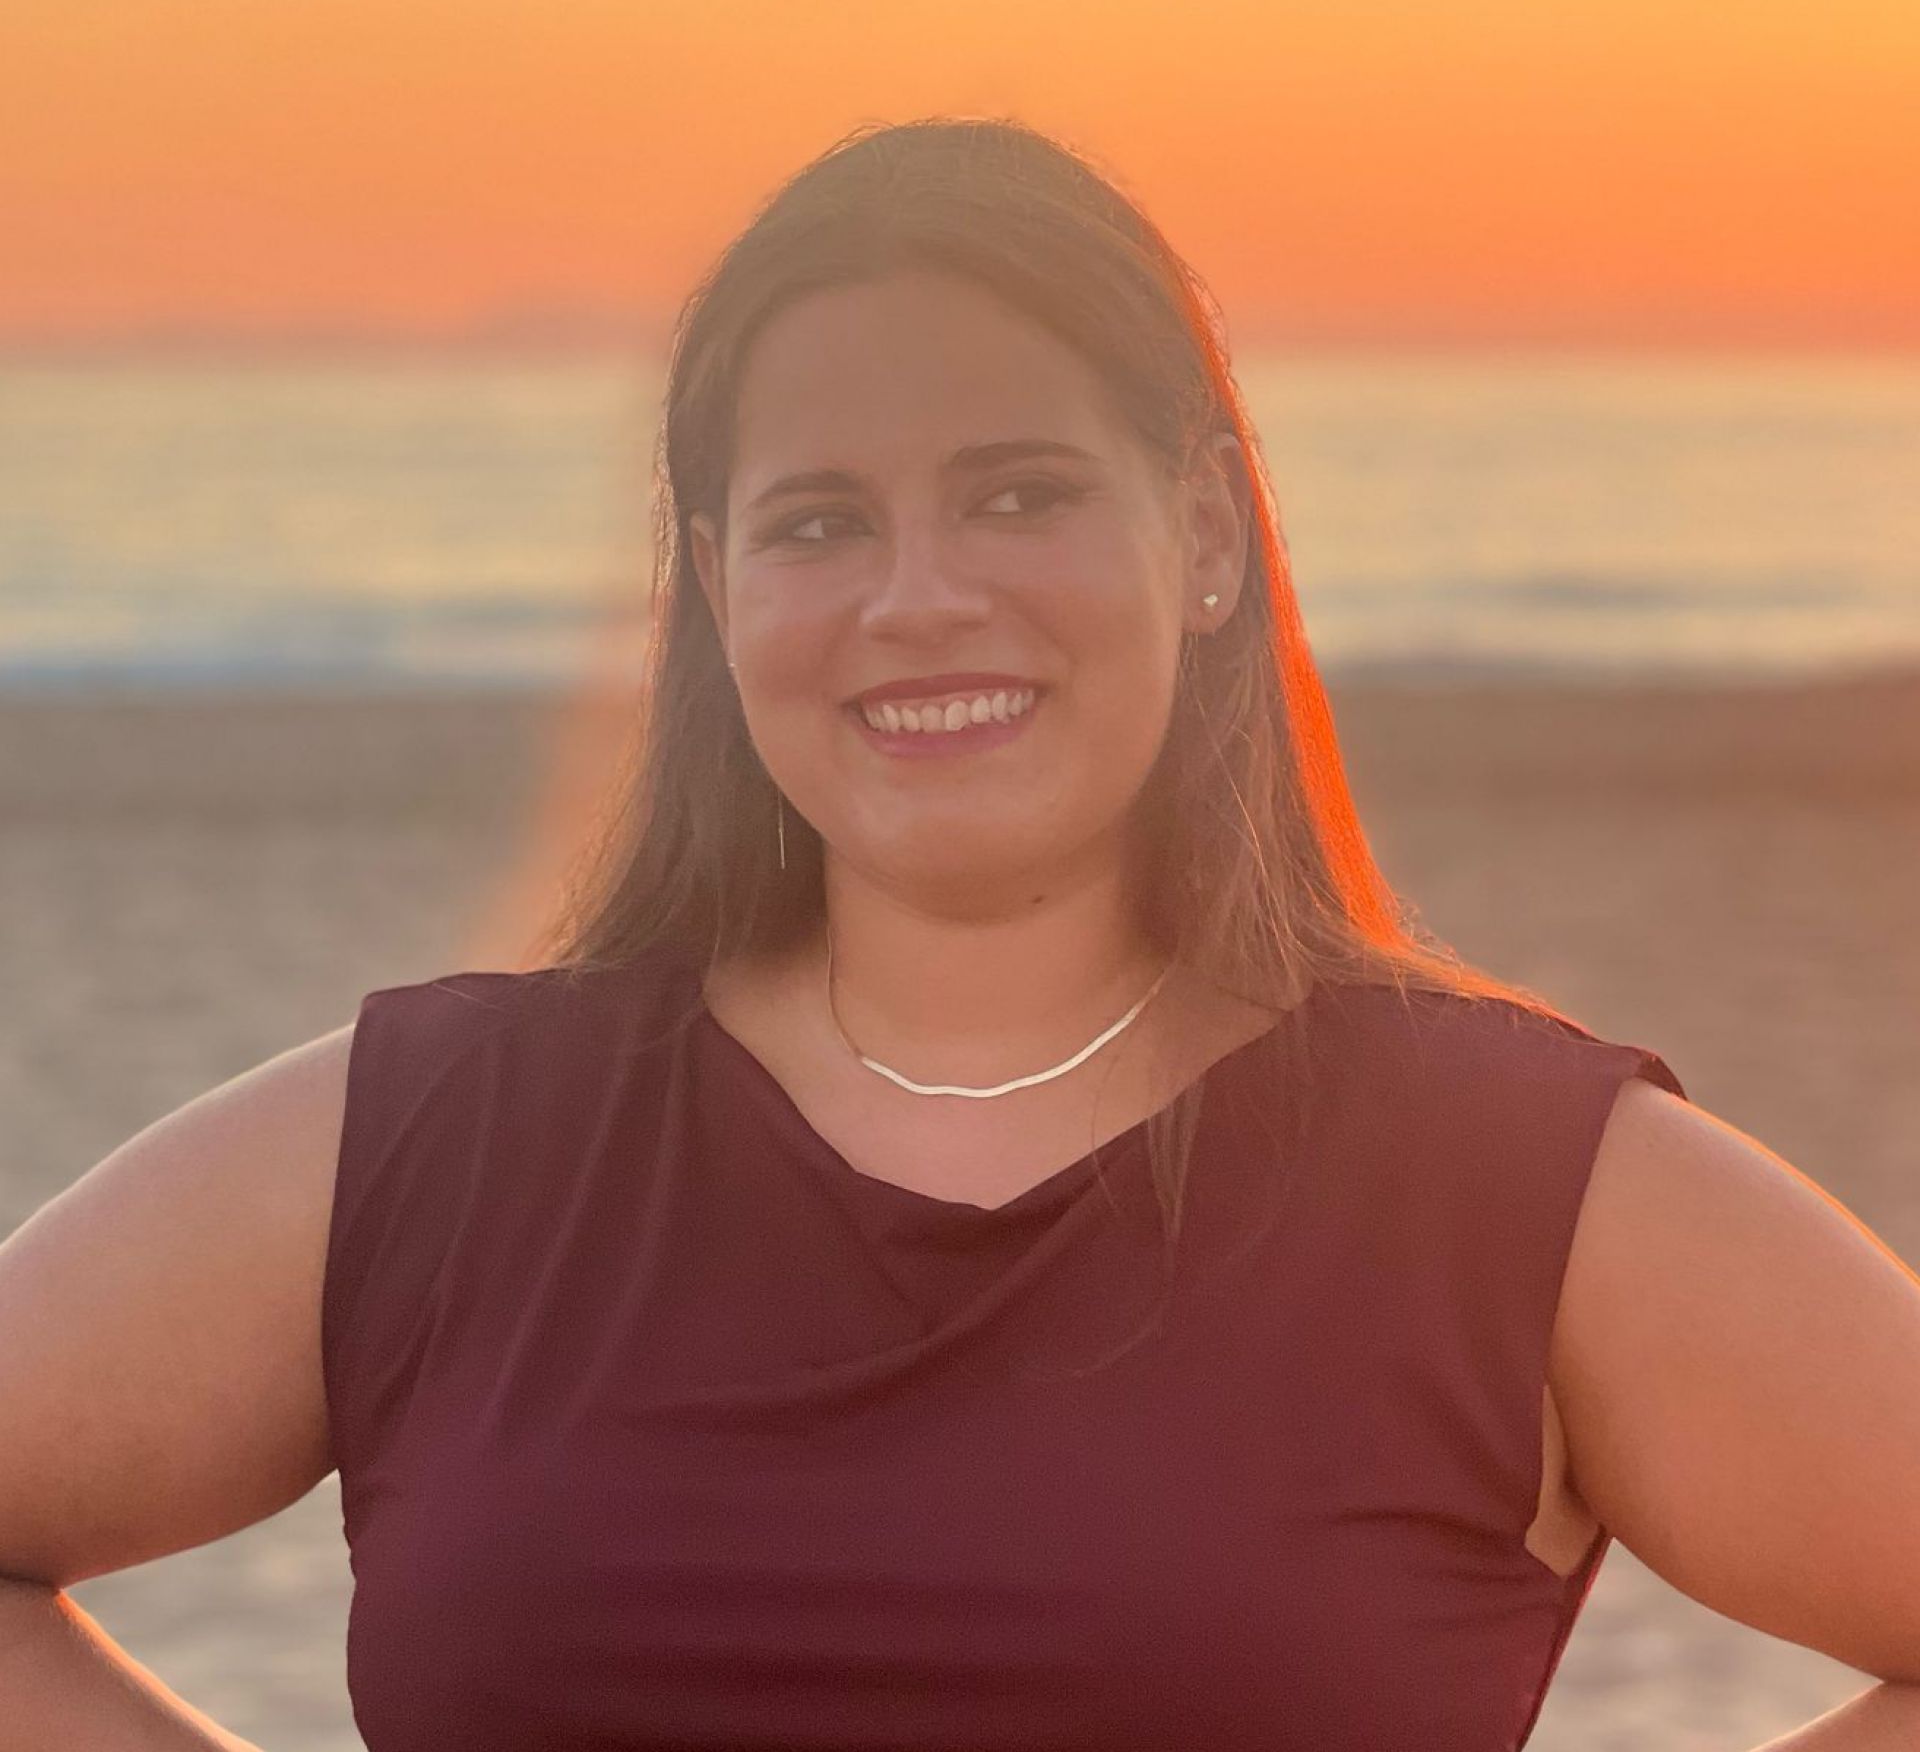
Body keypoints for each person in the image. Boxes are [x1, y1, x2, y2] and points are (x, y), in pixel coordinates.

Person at [3, 116, 1918, 1752]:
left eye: (1018, 493)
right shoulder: (445, 1140)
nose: (918, 596)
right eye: (819, 522)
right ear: (718, 588)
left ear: (1206, 538)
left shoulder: (1504, 1183)